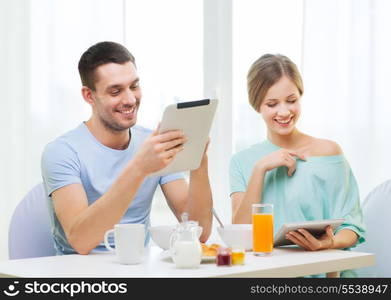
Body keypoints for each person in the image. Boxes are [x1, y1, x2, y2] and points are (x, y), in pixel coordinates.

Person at [41, 41, 213, 255]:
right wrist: (140, 167)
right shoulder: (62, 152)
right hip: (82, 276)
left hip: (138, 269)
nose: (130, 99)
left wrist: (198, 158)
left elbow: (200, 231)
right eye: (116, 91)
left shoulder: (152, 143)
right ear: (89, 95)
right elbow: (81, 241)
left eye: (134, 86)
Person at [229, 54, 365, 262]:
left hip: (324, 273)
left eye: (291, 101)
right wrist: (260, 169)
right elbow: (239, 237)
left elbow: (352, 225)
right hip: (265, 277)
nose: (284, 112)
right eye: (272, 104)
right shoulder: (243, 162)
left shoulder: (328, 152)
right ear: (257, 106)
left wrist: (327, 243)